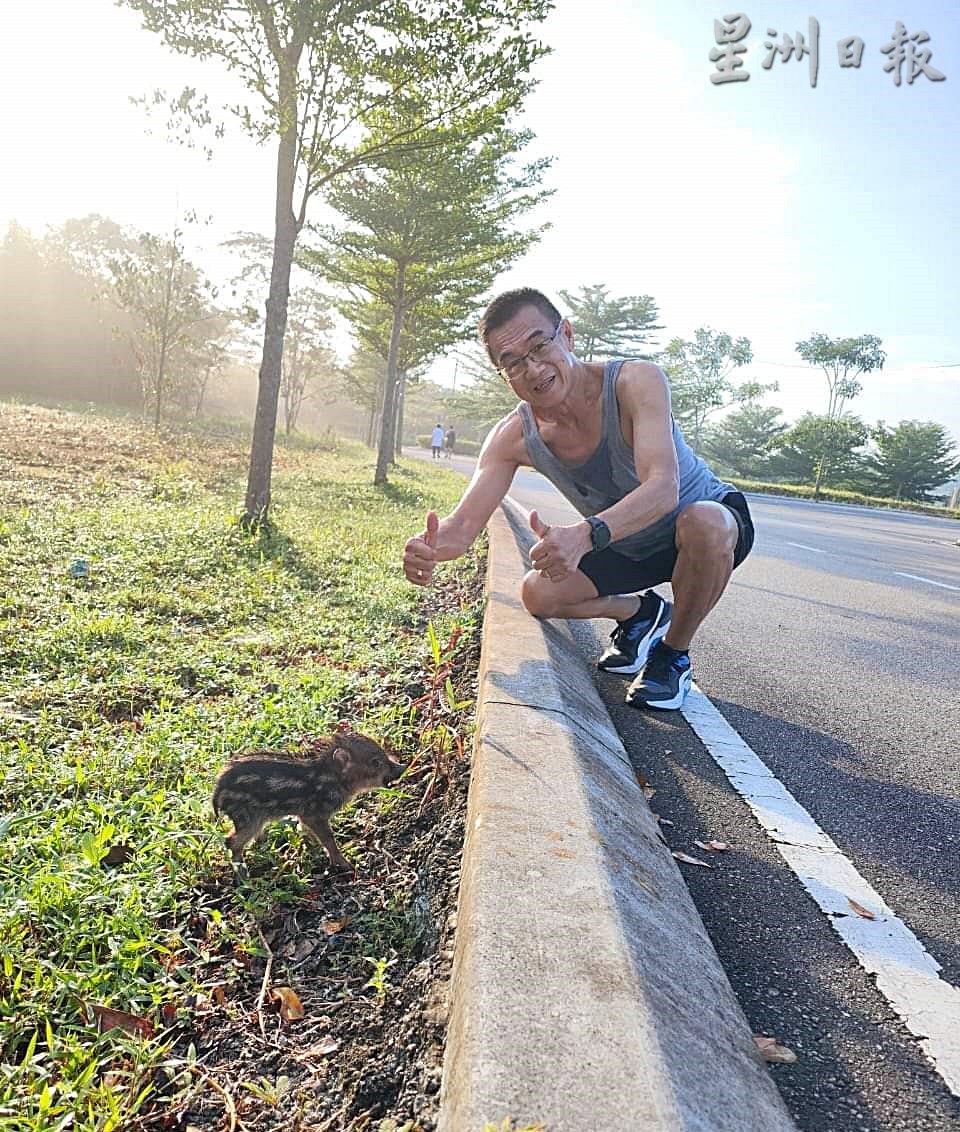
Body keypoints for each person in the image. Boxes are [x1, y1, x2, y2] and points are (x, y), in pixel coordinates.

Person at [403, 288, 755, 711]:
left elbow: (664, 489)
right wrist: (432, 549)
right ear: (504, 374)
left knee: (705, 522)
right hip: (624, 542)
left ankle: (672, 654)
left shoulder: (634, 381)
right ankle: (639, 613)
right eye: (512, 362)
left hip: (700, 524)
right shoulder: (513, 436)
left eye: (539, 345)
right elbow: (460, 530)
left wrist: (585, 534)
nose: (532, 368)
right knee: (538, 595)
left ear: (566, 334)